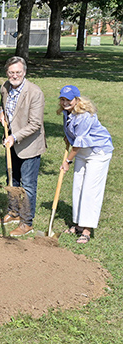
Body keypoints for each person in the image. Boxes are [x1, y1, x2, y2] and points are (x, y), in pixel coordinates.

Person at [0, 56, 46, 236]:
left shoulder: (35, 92)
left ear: (24, 72)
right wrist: (2, 113)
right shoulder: (5, 87)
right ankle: (14, 213)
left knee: (28, 185)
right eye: (11, 72)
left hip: (29, 144)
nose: (14, 75)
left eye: (18, 72)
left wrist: (14, 137)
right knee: (13, 180)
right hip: (12, 143)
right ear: (6, 72)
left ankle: (26, 222)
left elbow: (35, 124)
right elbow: (4, 105)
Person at [57, 85, 114, 244]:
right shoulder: (66, 112)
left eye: (68, 99)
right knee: (78, 187)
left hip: (97, 152)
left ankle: (87, 230)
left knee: (90, 189)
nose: (65, 102)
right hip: (82, 152)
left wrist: (67, 161)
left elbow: (79, 143)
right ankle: (78, 224)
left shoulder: (84, 116)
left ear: (77, 99)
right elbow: (73, 135)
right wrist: (68, 136)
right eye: (62, 99)